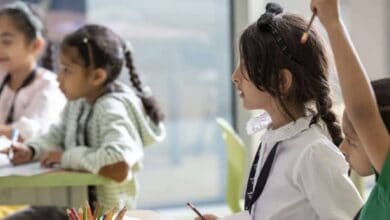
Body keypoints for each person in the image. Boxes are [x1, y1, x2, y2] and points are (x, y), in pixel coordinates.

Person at [196, 2, 362, 220]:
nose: (234, 76)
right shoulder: (275, 137)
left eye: (245, 67)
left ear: (282, 81)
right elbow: (266, 213)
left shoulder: (313, 152)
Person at [1, 24, 165, 219]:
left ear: (97, 76)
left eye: (67, 70)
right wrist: (32, 150)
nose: (59, 78)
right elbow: (57, 135)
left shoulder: (111, 108)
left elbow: (118, 161)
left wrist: (65, 157)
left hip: (99, 215)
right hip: (68, 206)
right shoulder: (79, 101)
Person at [311, 0, 390, 219]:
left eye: (353, 141)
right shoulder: (380, 191)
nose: (343, 148)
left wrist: (333, 23)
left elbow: (362, 113)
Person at [0, 1, 65, 141]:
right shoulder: (2, 77)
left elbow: (30, 134)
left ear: (36, 45)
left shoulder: (50, 86)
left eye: (6, 42)